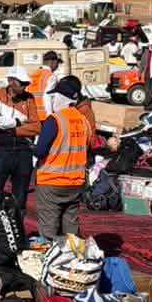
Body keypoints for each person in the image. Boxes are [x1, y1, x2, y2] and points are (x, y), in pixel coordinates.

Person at [32, 77, 93, 238]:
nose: (53, 100)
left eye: (54, 96)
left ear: (61, 98)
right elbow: (86, 150)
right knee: (70, 228)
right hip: (75, 183)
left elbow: (40, 151)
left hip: (51, 182)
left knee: (49, 228)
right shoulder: (84, 121)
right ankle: (73, 252)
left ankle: (51, 251)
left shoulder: (55, 120)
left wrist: (32, 148)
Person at [0, 72, 39, 211]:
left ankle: (17, 220)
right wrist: (18, 122)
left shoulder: (29, 98)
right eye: (22, 83)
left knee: (20, 194)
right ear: (11, 81)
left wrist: (12, 130)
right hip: (2, 150)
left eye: (26, 84)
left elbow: (36, 127)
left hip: (23, 150)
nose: (25, 87)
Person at [28, 50, 62, 116]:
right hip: (43, 115)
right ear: (53, 62)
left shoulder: (32, 74)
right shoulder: (51, 76)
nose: (58, 66)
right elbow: (47, 96)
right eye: (58, 63)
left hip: (32, 114)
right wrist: (49, 114)